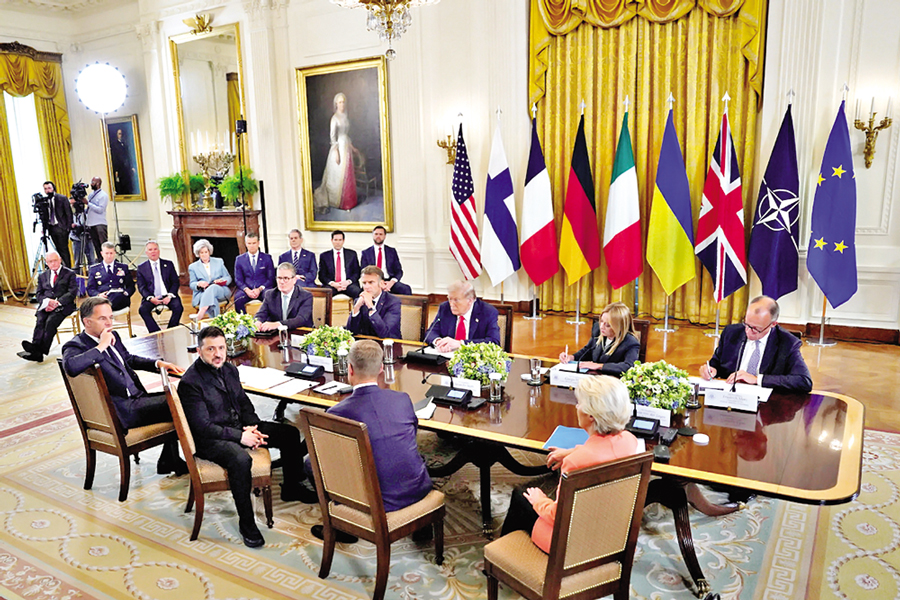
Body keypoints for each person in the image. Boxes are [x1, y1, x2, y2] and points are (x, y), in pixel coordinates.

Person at [178, 326, 317, 548]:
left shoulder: (230, 370)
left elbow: (243, 402)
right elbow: (202, 427)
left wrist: (252, 426)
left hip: (240, 427)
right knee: (241, 460)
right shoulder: (190, 382)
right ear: (199, 350)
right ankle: (247, 522)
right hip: (213, 439)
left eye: (221, 348)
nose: (218, 354)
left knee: (290, 434)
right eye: (211, 349)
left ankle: (291, 486)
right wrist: (241, 437)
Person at [309, 340, 433, 543]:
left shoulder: (337, 413)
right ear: (382, 369)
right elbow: (412, 434)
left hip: (376, 500)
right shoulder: (402, 398)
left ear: (349, 369)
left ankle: (343, 527)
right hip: (418, 486)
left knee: (310, 463)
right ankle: (422, 524)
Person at [500, 375, 641, 553]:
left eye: (580, 403)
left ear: (591, 415)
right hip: (611, 534)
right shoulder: (630, 441)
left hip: (572, 546)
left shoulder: (576, 463)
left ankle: (502, 559)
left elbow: (556, 516)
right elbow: (602, 450)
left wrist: (539, 501)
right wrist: (573, 451)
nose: (576, 407)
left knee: (522, 496)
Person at [61, 297, 186, 475]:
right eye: (103, 319)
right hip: (123, 410)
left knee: (181, 397)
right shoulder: (76, 346)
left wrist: (158, 364)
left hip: (137, 399)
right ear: (87, 322)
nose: (109, 323)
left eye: (110, 317)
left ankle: (170, 459)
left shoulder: (114, 336)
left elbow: (128, 359)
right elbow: (71, 367)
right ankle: (178, 459)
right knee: (181, 403)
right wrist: (102, 345)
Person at [699, 295, 812, 393]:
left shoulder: (788, 343)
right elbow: (716, 362)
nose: (748, 331)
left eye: (756, 329)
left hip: (765, 407)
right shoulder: (731, 332)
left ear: (773, 324)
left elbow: (804, 381)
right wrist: (711, 369)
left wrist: (756, 379)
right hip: (729, 396)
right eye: (747, 324)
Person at [18, 251, 77, 362]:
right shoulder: (43, 276)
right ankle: (36, 349)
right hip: (46, 305)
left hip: (64, 305)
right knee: (40, 320)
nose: (53, 264)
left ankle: (39, 351)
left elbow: (72, 292)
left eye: (55, 260)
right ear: (46, 263)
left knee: (50, 322)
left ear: (60, 260)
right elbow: (39, 294)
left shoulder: (69, 273)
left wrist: (58, 302)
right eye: (50, 262)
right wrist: (46, 302)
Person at [558, 302, 640, 376]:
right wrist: (571, 357)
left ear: (619, 327)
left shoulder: (630, 342)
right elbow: (587, 350)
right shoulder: (598, 331)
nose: (601, 327)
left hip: (612, 382)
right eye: (601, 321)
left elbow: (629, 366)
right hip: (593, 378)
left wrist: (600, 366)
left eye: (607, 325)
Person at [424, 280, 500, 351]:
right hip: (447, 358)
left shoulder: (487, 312)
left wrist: (460, 344)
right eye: (450, 299)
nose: (451, 304)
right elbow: (431, 332)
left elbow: (493, 342)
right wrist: (439, 342)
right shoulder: (445, 308)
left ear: (470, 300)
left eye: (456, 300)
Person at [313, 92, 357, 213]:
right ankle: (337, 202)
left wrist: (352, 147)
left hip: (346, 146)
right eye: (339, 102)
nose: (342, 104)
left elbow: (346, 135)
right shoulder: (335, 118)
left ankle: (349, 201)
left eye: (343, 102)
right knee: (337, 176)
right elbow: (333, 138)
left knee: (347, 175)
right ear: (336, 104)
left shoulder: (345, 117)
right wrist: (336, 153)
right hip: (339, 148)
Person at [136, 240, 184, 332]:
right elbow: (141, 287)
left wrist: (169, 296)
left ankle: (170, 330)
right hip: (152, 296)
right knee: (143, 310)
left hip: (168, 295)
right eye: (150, 250)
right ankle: (155, 332)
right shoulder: (141, 268)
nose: (153, 252)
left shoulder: (168, 264)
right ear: (146, 253)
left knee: (178, 307)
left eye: (155, 249)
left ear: (159, 251)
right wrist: (150, 298)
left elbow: (175, 282)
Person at [346, 266, 401, 339]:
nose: (367, 286)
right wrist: (356, 307)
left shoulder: (393, 302)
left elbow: (385, 334)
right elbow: (350, 332)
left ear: (381, 283)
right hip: (365, 345)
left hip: (388, 345)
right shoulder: (359, 300)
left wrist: (371, 307)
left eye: (371, 282)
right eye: (364, 283)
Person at [255, 263, 314, 331]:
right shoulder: (270, 294)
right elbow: (261, 314)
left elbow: (301, 319)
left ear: (294, 280)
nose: (282, 282)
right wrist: (258, 322)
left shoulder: (306, 296)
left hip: (300, 333)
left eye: (286, 278)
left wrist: (278, 324)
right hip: (277, 335)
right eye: (279, 278)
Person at [360, 226, 412, 295]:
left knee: (406, 289)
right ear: (372, 235)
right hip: (373, 281)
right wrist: (377, 283)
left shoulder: (392, 251)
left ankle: (404, 306)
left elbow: (399, 271)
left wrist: (391, 282)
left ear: (385, 236)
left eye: (381, 234)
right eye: (376, 234)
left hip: (389, 281)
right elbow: (364, 271)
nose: (378, 236)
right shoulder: (366, 253)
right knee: (360, 292)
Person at [188, 239, 232, 321]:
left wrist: (221, 280)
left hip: (221, 291)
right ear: (198, 254)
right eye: (202, 253)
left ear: (209, 252)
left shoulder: (219, 262)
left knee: (213, 288)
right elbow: (192, 284)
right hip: (202, 293)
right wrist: (198, 284)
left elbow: (228, 278)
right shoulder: (193, 267)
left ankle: (202, 311)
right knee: (212, 299)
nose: (204, 255)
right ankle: (216, 321)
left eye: (206, 252)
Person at [233, 232, 275, 313]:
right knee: (238, 298)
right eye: (249, 243)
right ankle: (244, 321)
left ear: (258, 243)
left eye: (254, 243)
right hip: (247, 289)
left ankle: (267, 320)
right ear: (246, 244)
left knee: (269, 296)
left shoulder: (267, 258)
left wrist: (259, 289)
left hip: (263, 289)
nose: (252, 245)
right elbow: (238, 280)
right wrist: (247, 290)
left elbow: (271, 278)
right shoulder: (239, 259)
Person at [87, 242, 135, 311]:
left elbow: (131, 286)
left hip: (120, 299)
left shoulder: (123, 267)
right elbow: (90, 289)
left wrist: (125, 293)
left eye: (111, 253)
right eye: (106, 253)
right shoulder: (94, 269)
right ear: (102, 253)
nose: (109, 256)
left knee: (116, 297)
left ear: (115, 253)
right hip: (101, 300)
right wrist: (98, 295)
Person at [318, 230, 361, 299]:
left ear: (343, 241)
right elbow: (322, 276)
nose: (338, 242)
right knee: (324, 294)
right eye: (335, 240)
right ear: (332, 240)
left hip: (348, 285)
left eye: (340, 240)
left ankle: (357, 310)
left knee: (358, 292)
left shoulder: (352, 254)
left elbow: (357, 272)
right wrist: (333, 284)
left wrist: (347, 282)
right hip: (332, 285)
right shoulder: (324, 256)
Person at [43, 181, 73, 268]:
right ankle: (61, 268)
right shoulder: (45, 201)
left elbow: (69, 213)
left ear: (53, 188)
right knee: (58, 250)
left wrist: (68, 228)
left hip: (61, 228)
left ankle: (68, 268)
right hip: (52, 228)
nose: (47, 191)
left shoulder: (62, 198)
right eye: (45, 189)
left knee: (64, 249)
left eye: (49, 188)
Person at [77, 177, 109, 259]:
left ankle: (106, 262)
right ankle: (100, 262)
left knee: (103, 246)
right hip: (91, 224)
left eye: (93, 182)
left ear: (98, 183)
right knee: (96, 247)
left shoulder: (103, 195)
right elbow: (89, 209)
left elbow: (100, 210)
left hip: (99, 224)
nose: (91, 184)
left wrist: (88, 203)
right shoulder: (91, 195)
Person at [110, 128, 138, 196]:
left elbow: (128, 156)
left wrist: (131, 167)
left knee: (129, 184)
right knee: (122, 185)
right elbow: (115, 158)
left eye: (121, 133)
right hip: (120, 168)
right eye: (119, 134)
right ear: (117, 135)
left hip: (127, 168)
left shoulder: (125, 144)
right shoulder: (114, 145)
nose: (121, 135)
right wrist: (116, 170)